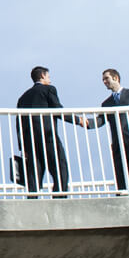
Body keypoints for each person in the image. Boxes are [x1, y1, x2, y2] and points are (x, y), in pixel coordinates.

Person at [16, 66, 85, 198]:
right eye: (48, 76)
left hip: (30, 142)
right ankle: (59, 198)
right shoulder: (49, 89)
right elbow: (58, 110)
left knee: (34, 174)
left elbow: (19, 123)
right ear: (42, 76)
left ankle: (32, 201)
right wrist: (78, 120)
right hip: (48, 136)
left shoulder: (22, 98)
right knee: (60, 168)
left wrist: (22, 146)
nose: (50, 79)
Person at [87, 68, 129, 193]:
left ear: (115, 78)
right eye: (103, 80)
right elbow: (100, 120)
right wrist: (84, 122)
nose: (104, 82)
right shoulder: (106, 104)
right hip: (118, 144)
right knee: (122, 176)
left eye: (106, 78)